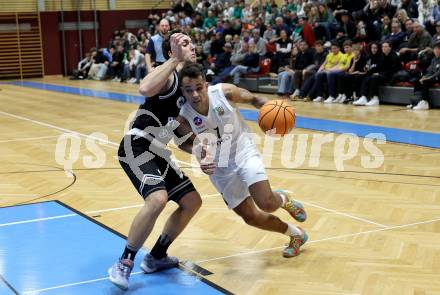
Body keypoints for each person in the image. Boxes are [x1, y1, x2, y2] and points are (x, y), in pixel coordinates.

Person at [175, 62, 309, 258]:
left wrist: (268, 106)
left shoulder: (225, 93)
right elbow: (181, 143)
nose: (195, 94)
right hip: (219, 167)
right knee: (250, 217)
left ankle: (282, 200)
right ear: (182, 91)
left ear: (206, 84)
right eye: (189, 90)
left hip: (242, 150)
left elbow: (254, 99)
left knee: (267, 204)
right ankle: (296, 235)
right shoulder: (182, 115)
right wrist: (199, 154)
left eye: (198, 88)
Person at [108, 33, 202, 290]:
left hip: (159, 151)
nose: (191, 47)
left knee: (192, 201)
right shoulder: (168, 76)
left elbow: (181, 139)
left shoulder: (187, 90)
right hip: (136, 145)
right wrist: (173, 59)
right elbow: (145, 88)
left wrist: (201, 151)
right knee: (158, 198)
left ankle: (157, 256)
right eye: (185, 44)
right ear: (172, 50)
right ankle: (124, 262)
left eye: (192, 44)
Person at [409, 41, 440, 110]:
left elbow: (438, 73)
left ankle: (424, 102)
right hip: (433, 77)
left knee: (426, 82)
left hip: (438, 77)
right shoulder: (434, 59)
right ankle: (416, 101)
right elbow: (430, 71)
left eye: (437, 49)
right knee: (417, 81)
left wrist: (428, 78)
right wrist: (425, 76)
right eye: (434, 49)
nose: (435, 51)